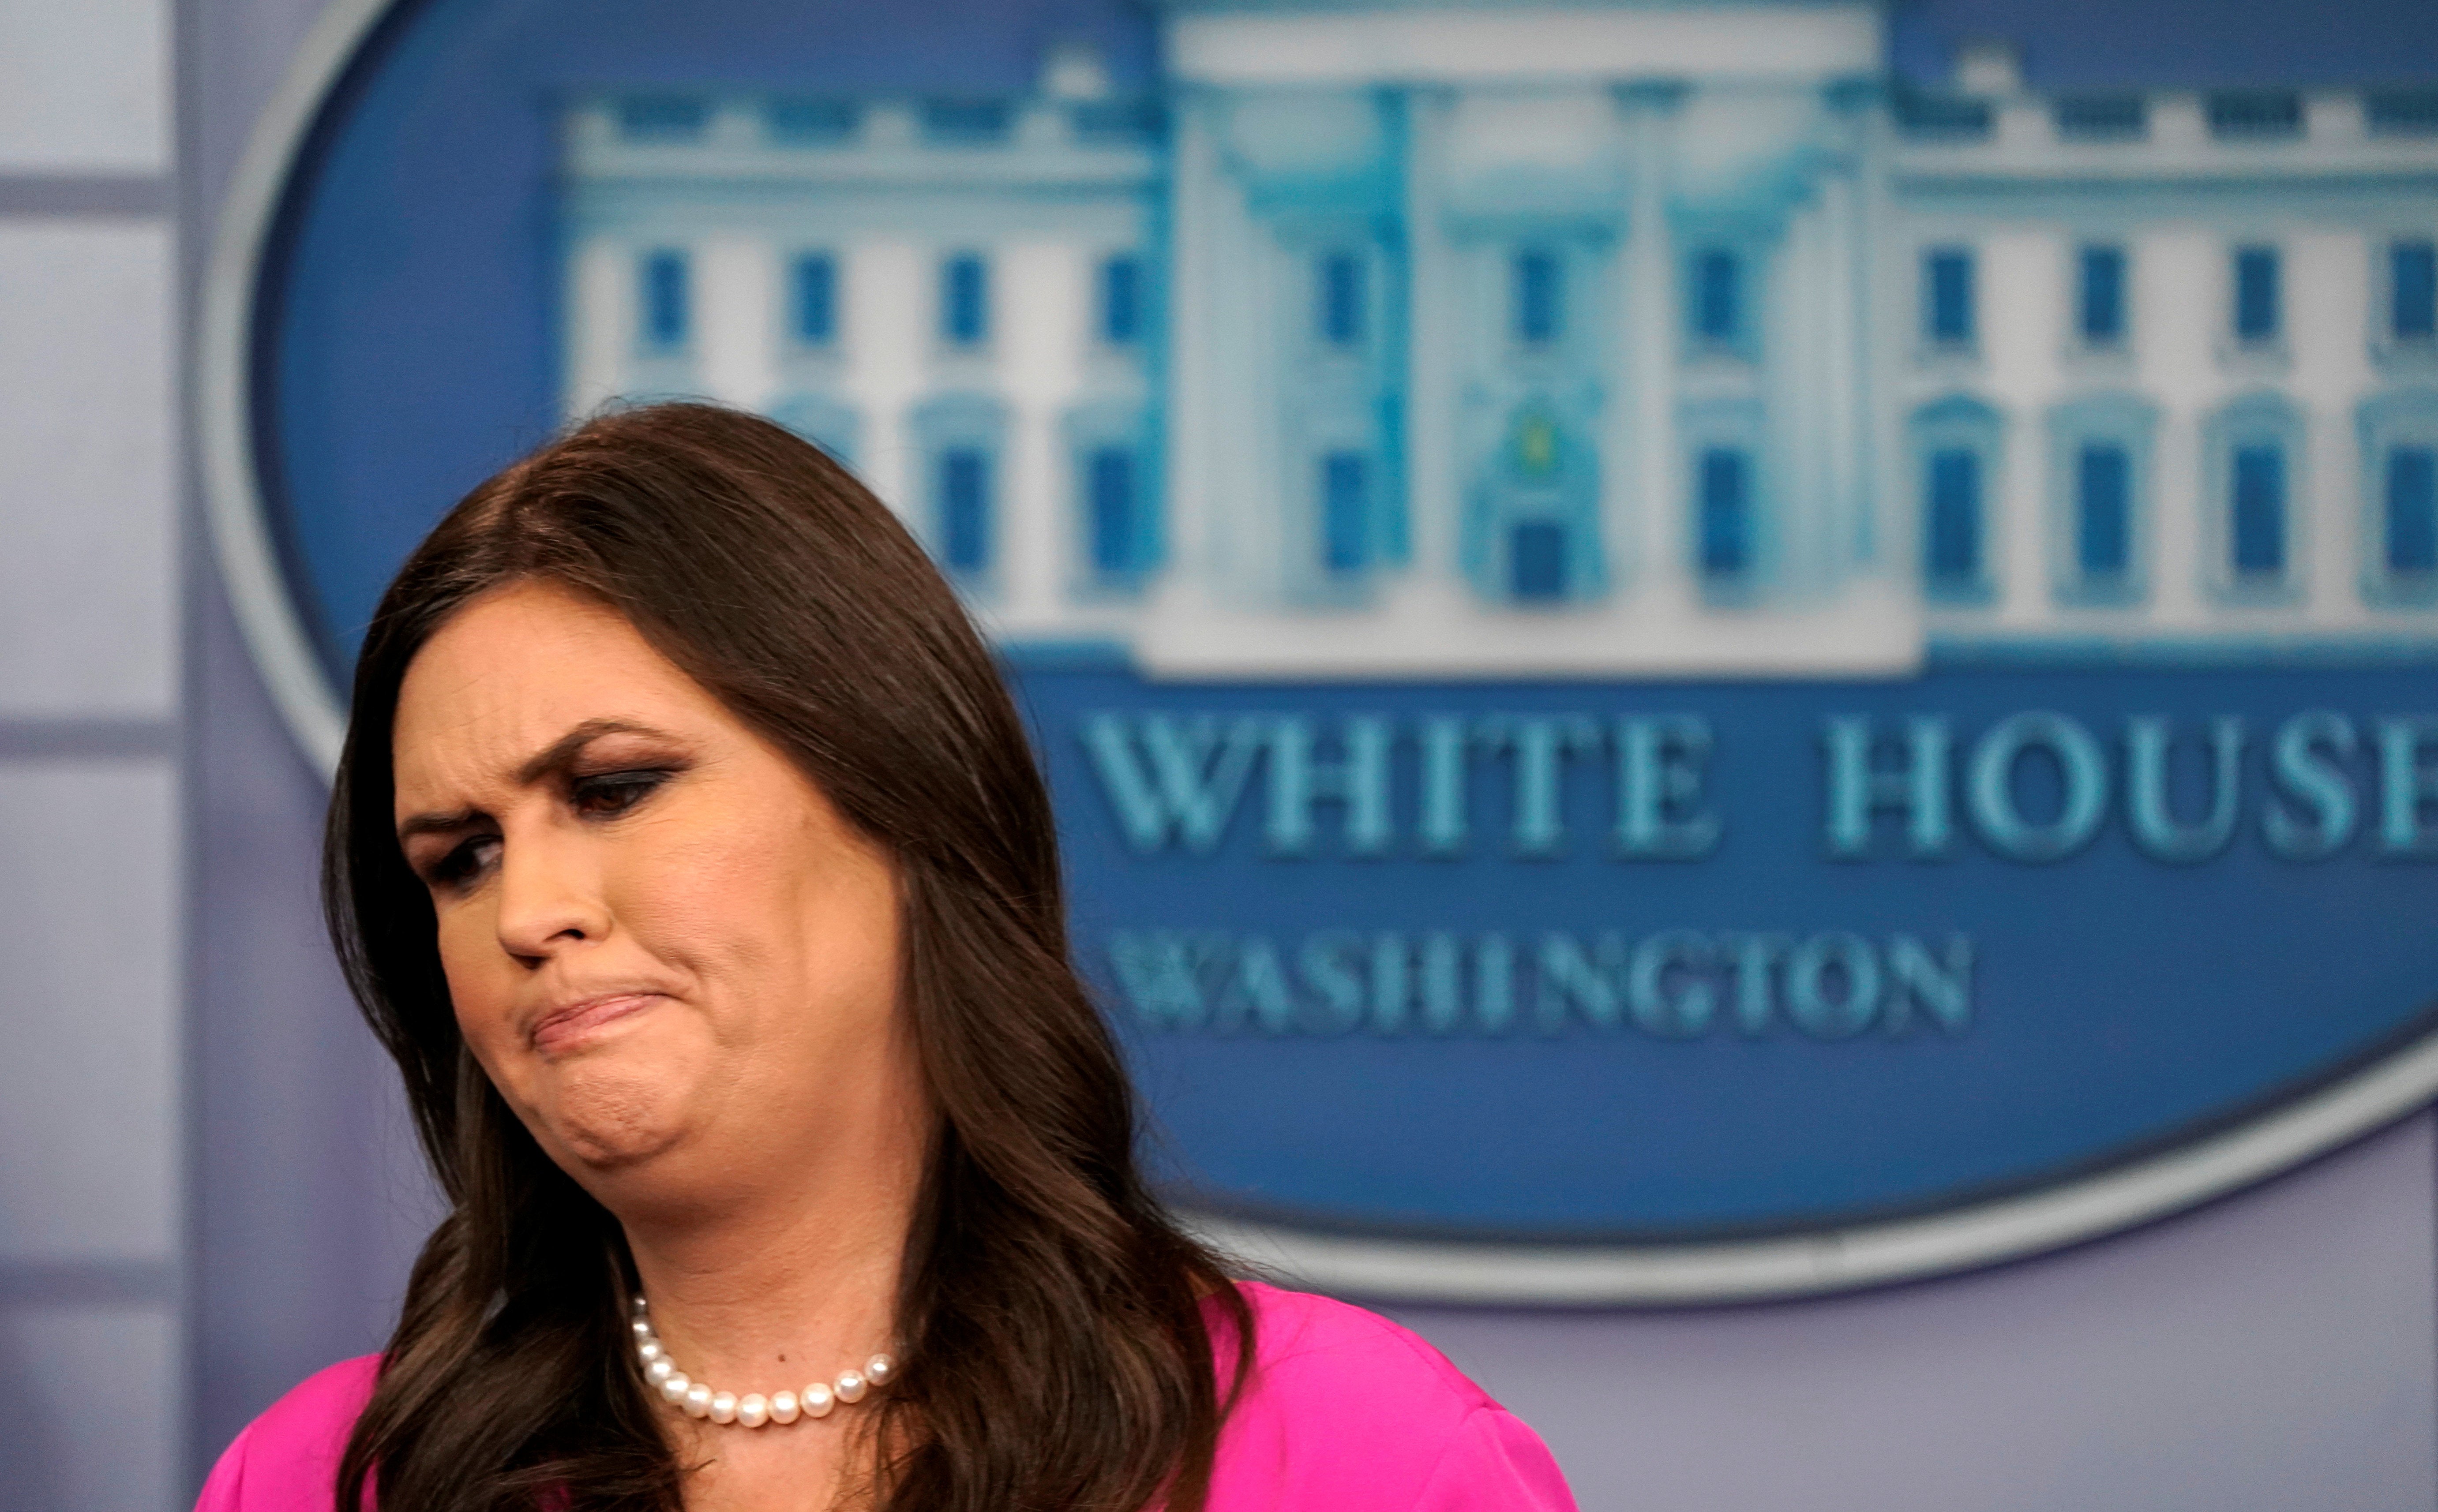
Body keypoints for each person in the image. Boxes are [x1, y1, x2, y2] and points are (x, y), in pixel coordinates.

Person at [196, 403, 1579, 1512]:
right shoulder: (319, 1480)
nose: (526, 912)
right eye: (461, 856)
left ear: (904, 796)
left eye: (614, 788)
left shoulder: (1359, 1457)